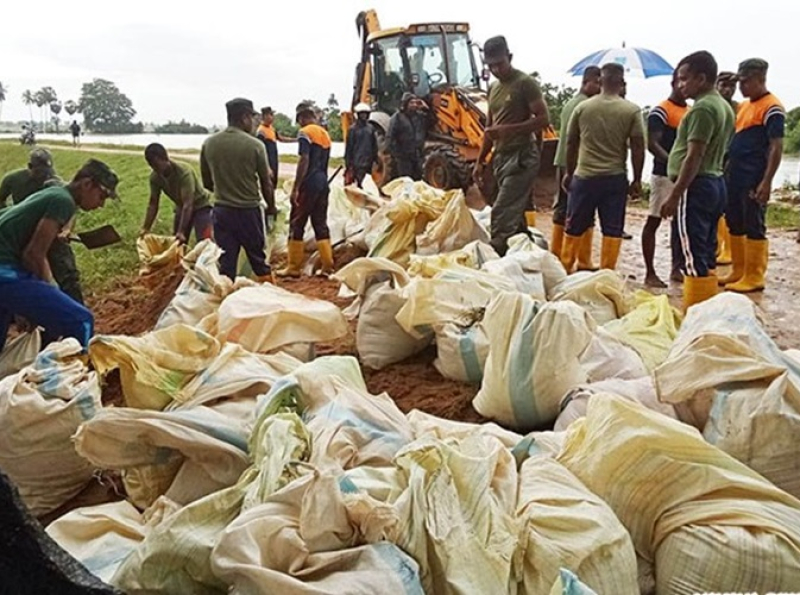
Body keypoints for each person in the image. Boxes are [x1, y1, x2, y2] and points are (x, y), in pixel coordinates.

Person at [0, 159, 118, 352]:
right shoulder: (63, 201)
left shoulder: (54, 194)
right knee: (82, 321)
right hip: (5, 271)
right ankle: (79, 378)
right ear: (87, 184)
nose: (101, 204)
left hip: (7, 269)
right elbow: (33, 255)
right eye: (102, 196)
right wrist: (51, 286)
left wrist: (23, 306)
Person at [660, 51, 735, 310]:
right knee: (706, 249)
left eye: (684, 79)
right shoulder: (724, 105)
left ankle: (696, 312)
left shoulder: (703, 108)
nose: (680, 84)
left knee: (692, 254)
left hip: (696, 185)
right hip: (715, 182)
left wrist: (675, 194)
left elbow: (694, 155)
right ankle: (708, 310)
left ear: (702, 79)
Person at [560, 63, 644, 273]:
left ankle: (564, 271)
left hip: (584, 177)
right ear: (621, 82)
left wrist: (569, 173)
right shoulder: (631, 110)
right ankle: (606, 275)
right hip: (614, 179)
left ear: (600, 81)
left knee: (574, 226)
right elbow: (638, 148)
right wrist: (636, 179)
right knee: (612, 230)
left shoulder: (583, 108)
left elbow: (571, 143)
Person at [472, 35, 549, 256]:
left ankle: (497, 263)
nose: (496, 69)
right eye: (491, 65)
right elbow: (489, 128)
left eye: (500, 63)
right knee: (513, 216)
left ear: (510, 57)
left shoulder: (525, 83)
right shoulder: (494, 88)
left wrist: (509, 130)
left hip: (522, 156)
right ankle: (526, 256)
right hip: (501, 157)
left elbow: (543, 119)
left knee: (502, 213)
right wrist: (480, 161)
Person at [719, 58, 785, 293]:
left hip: (754, 175)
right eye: (740, 82)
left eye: (745, 82)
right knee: (734, 221)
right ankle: (739, 269)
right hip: (734, 175)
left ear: (760, 79)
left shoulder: (772, 107)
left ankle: (754, 275)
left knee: (753, 223)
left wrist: (766, 182)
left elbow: (776, 147)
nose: (742, 87)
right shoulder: (744, 106)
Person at [200, 97, 276, 281]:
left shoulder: (209, 143)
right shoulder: (255, 145)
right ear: (244, 117)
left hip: (222, 212)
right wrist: (271, 207)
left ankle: (226, 302)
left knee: (226, 264)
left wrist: (226, 189)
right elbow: (266, 182)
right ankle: (270, 298)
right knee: (258, 259)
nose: (253, 122)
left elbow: (207, 183)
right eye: (252, 117)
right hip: (248, 212)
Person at [0, 148, 84, 304]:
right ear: (30, 167)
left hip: (51, 232)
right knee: (23, 277)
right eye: (40, 172)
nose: (45, 176)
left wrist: (66, 230)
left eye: (48, 171)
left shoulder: (56, 183)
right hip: (23, 236)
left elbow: (70, 209)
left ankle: (76, 309)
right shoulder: (12, 180)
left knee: (68, 274)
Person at [642, 71, 689, 287]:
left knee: (680, 223)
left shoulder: (689, 112)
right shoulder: (660, 111)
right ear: (673, 83)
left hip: (683, 174)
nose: (684, 86)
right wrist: (672, 163)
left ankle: (676, 267)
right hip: (663, 174)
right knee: (654, 220)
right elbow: (652, 144)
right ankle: (650, 272)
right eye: (681, 81)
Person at [551, 66, 601, 262]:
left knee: (567, 207)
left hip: (565, 160)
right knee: (574, 209)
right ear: (585, 82)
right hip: (572, 163)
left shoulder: (573, 103)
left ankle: (570, 256)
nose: (599, 87)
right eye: (596, 83)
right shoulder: (583, 106)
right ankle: (574, 258)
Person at [278, 103, 334, 277]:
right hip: (323, 183)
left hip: (308, 183)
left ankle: (293, 267)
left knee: (297, 222)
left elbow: (304, 159)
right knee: (320, 223)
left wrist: (296, 187)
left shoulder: (305, 133)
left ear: (302, 118)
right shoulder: (325, 134)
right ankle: (328, 265)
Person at [140, 143, 213, 244]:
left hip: (201, 206)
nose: (155, 169)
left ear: (165, 158)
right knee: (177, 243)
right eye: (151, 165)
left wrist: (181, 231)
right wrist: (146, 228)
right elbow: (153, 204)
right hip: (181, 206)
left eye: (156, 165)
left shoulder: (184, 172)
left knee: (205, 242)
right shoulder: (155, 178)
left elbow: (188, 204)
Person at [715, 71, 739, 266]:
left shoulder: (739, 109)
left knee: (729, 208)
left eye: (732, 87)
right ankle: (716, 246)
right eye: (723, 86)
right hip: (715, 162)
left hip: (732, 163)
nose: (728, 90)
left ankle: (729, 250)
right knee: (715, 208)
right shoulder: (712, 106)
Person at [387, 92, 424, 181]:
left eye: (415, 103)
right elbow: (390, 137)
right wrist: (398, 155)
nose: (414, 105)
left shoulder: (418, 117)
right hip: (403, 157)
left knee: (417, 181)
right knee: (406, 181)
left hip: (416, 155)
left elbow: (432, 121)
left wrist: (426, 108)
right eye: (411, 103)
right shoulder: (397, 118)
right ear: (405, 104)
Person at [256, 107, 295, 190]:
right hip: (267, 161)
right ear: (264, 116)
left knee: (273, 184)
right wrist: (267, 167)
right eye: (270, 115)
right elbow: (260, 151)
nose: (272, 117)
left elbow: (281, 138)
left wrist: (295, 139)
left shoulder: (272, 129)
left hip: (274, 160)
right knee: (267, 184)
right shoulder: (261, 132)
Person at [344, 102, 379, 188]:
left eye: (365, 114)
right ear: (357, 115)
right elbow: (349, 148)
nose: (364, 116)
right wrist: (348, 164)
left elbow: (374, 144)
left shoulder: (370, 128)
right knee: (359, 184)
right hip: (357, 163)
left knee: (367, 184)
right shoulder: (352, 129)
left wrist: (376, 158)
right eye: (362, 114)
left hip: (368, 162)